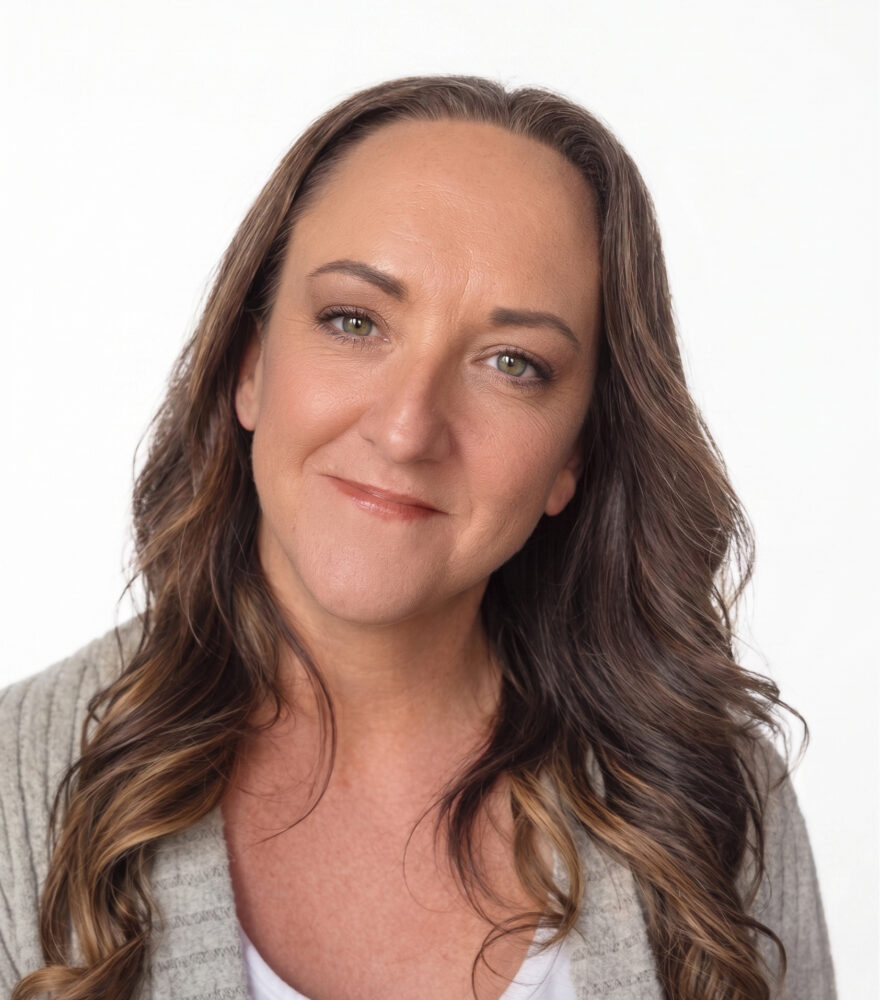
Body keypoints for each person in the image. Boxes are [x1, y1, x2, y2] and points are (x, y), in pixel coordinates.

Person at [0, 76, 835, 1000]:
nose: (406, 429)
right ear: (248, 366)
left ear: (575, 457)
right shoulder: (15, 786)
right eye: (354, 321)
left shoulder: (712, 797)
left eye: (512, 364)